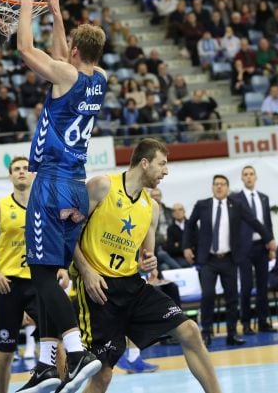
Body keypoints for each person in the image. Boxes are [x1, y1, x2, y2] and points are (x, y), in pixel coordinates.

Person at [16, 0, 108, 392]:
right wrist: (55, 12)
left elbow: (26, 50)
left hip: (51, 184)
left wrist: (23, 6)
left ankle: (76, 348)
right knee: (50, 275)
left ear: (74, 51)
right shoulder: (100, 78)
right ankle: (45, 365)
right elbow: (61, 57)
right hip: (75, 186)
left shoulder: (65, 75)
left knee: (39, 274)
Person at [75, 139, 221, 393]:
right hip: (98, 290)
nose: (166, 171)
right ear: (144, 163)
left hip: (132, 285)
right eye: (162, 164)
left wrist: (149, 262)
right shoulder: (102, 186)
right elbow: (68, 236)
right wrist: (86, 271)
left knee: (189, 331)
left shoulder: (151, 208)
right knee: (103, 375)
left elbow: (147, 257)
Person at [0, 157, 49, 392]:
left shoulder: (46, 207)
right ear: (10, 176)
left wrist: (62, 269)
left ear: (33, 174)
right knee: (5, 352)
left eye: (26, 168)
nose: (22, 172)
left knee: (55, 343)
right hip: (9, 286)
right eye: (16, 169)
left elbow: (58, 242)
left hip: (40, 282)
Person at [183, 175, 275, 346]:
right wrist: (187, 246)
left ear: (227, 187)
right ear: (212, 187)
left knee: (232, 298)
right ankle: (206, 332)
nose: (219, 187)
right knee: (208, 295)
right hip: (208, 260)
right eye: (216, 184)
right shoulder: (202, 205)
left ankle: (231, 333)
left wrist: (269, 238)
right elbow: (189, 225)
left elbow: (254, 222)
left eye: (222, 184)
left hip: (229, 259)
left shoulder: (236, 205)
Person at [234, 166, 277, 334]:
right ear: (242, 178)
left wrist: (271, 242)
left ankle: (263, 321)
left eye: (251, 174)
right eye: (245, 174)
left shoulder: (263, 198)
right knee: (245, 286)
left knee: (262, 287)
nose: (249, 177)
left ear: (256, 177)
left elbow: (267, 223)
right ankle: (245, 323)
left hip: (261, 247)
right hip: (244, 248)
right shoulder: (235, 199)